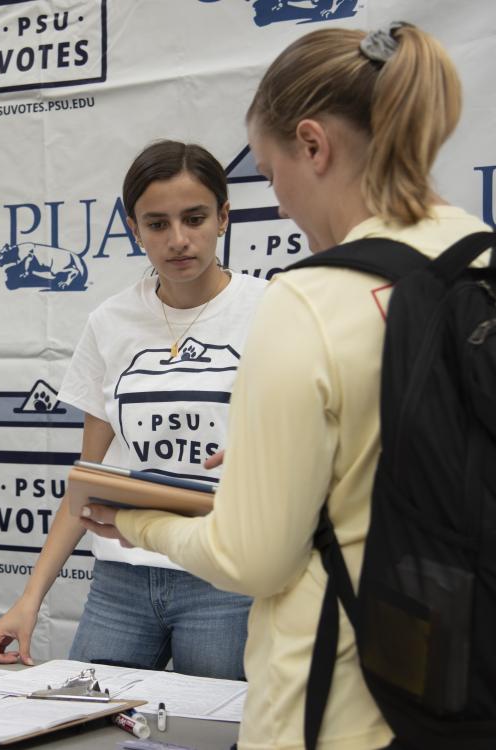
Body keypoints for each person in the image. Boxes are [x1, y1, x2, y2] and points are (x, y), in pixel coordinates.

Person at [78, 23, 490, 750]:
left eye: (270, 177)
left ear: (313, 145)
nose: (285, 207)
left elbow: (252, 559)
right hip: (467, 676)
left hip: (336, 701)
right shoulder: (483, 260)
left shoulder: (308, 300)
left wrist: (134, 522)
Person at [0, 140, 267, 678]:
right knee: (81, 724)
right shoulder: (110, 322)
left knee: (209, 735)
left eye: (194, 218)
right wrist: (29, 599)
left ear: (225, 217)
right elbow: (88, 480)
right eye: (157, 224)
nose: (178, 240)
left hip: (224, 577)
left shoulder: (271, 310)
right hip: (121, 580)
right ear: (133, 228)